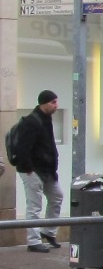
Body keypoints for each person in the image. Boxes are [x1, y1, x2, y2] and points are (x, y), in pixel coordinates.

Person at [11, 89, 63, 252]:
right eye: (53, 102)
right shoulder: (31, 122)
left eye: (56, 102)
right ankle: (33, 241)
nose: (56, 106)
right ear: (43, 103)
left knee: (57, 197)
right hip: (33, 170)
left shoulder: (46, 120)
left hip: (47, 170)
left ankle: (48, 231)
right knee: (34, 205)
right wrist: (28, 169)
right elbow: (23, 148)